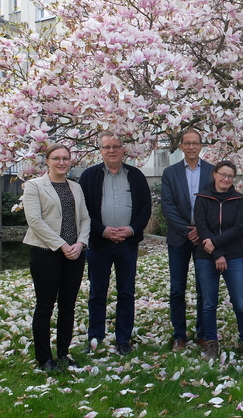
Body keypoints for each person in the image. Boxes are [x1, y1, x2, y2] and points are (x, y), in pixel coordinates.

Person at [79, 132, 151, 355]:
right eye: (106, 146)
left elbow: (145, 209)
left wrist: (130, 230)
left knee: (126, 293)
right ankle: (95, 337)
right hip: (98, 244)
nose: (111, 150)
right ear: (100, 150)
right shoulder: (89, 176)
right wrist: (103, 231)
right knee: (97, 293)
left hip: (127, 245)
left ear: (123, 149)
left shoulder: (136, 176)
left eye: (116, 146)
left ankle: (123, 340)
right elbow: (84, 211)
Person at [23, 144, 91, 372]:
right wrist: (62, 245)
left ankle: (63, 353)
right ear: (47, 161)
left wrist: (80, 243)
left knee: (68, 306)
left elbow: (85, 219)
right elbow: (35, 221)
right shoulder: (34, 186)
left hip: (74, 254)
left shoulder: (76, 187)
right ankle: (44, 359)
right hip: (46, 253)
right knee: (45, 306)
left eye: (65, 158)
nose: (61, 162)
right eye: (56, 158)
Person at [160, 129, 214, 351]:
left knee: (204, 288)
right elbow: (167, 206)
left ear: (201, 146)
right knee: (177, 289)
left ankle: (203, 333)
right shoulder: (170, 173)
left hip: (204, 239)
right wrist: (186, 230)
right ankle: (179, 335)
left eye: (196, 143)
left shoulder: (212, 171)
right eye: (187, 143)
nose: (191, 147)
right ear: (181, 146)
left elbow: (214, 204)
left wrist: (201, 231)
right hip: (178, 239)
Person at [194, 161, 243, 360]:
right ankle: (211, 343)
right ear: (215, 174)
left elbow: (238, 228)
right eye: (223, 174)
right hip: (206, 256)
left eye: (230, 176)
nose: (226, 179)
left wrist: (217, 247)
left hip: (234, 256)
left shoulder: (239, 199)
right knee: (209, 303)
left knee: (240, 303)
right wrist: (216, 253)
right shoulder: (202, 198)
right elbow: (201, 226)